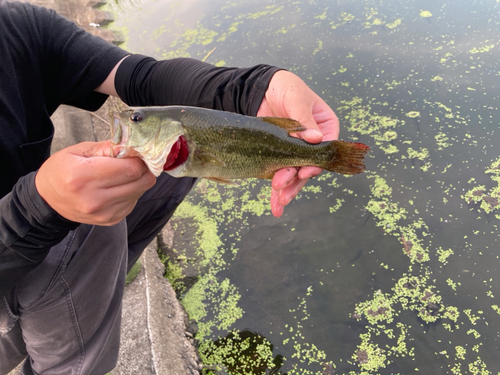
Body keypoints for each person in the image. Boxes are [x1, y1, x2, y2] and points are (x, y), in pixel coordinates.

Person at [0, 0, 339, 374]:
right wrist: (34, 208)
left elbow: (141, 76)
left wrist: (250, 88)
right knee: (95, 235)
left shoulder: (16, 25)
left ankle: (100, 289)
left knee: (170, 168)